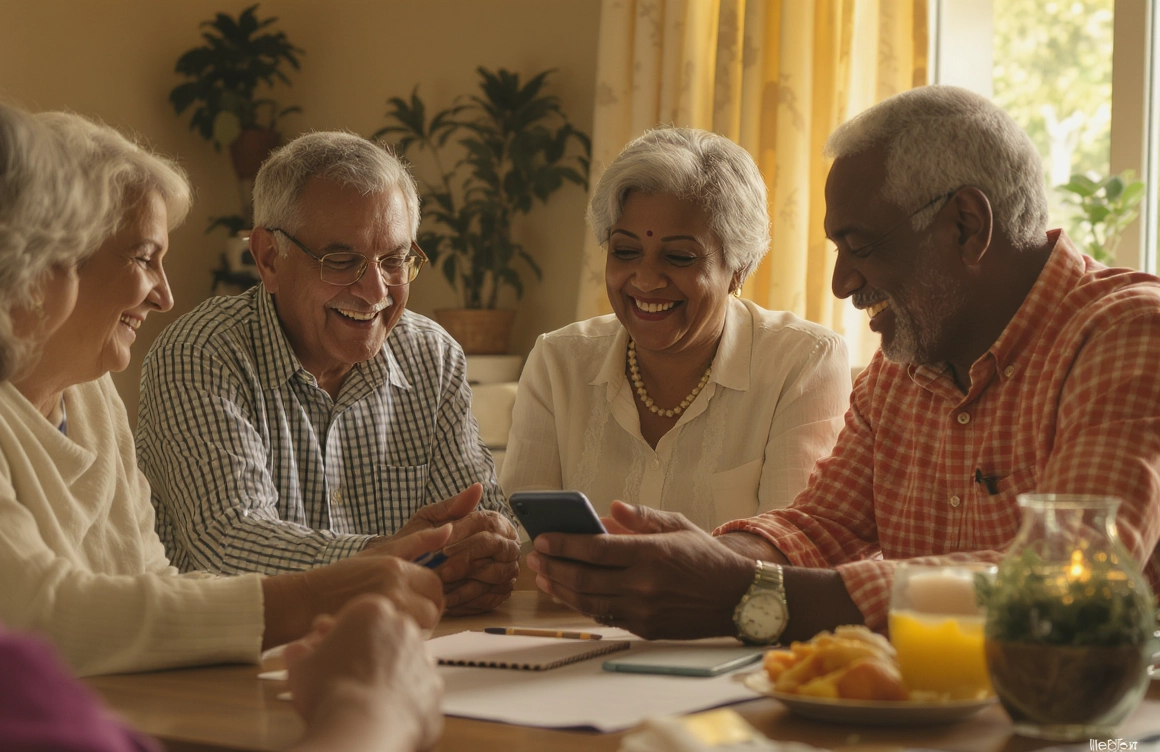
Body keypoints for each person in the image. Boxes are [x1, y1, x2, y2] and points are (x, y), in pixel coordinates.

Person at [0, 96, 453, 679]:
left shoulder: (91, 396)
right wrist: (319, 598)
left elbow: (149, 587)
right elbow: (37, 616)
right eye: (144, 258)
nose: (166, 294)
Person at [525, 86, 1160, 643]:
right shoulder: (906, 365)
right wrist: (704, 559)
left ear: (966, 225)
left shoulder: (1128, 333)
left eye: (859, 246)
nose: (841, 282)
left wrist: (746, 594)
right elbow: (823, 525)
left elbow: (1069, 576)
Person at [139, 130, 520, 615]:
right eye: (341, 261)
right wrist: (387, 560)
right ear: (268, 259)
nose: (374, 290)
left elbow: (481, 516)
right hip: (233, 664)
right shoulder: (202, 352)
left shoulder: (432, 355)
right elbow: (230, 542)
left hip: (414, 648)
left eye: (395, 259)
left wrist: (490, 548)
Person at [501, 128, 849, 529]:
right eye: (626, 251)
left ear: (738, 269)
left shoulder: (801, 363)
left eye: (680, 257)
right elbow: (522, 545)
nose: (646, 280)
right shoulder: (558, 361)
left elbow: (791, 552)